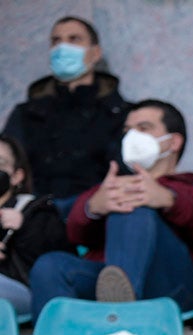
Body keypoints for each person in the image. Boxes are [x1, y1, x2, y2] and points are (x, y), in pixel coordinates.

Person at [29, 99, 193, 320]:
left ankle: (121, 319)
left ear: (173, 142)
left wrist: (170, 200)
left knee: (134, 207)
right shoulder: (112, 186)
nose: (132, 137)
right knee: (50, 265)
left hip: (173, 291)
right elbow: (76, 234)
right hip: (106, 283)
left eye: (143, 128)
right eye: (127, 130)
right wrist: (93, 207)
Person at [3, 16, 129, 219]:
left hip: (95, 219)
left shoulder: (120, 114)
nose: (63, 47)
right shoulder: (26, 114)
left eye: (74, 39)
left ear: (95, 53)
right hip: (31, 219)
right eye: (56, 41)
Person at [0, 135, 72, 316]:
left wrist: (23, 228)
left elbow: (53, 261)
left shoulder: (36, 210)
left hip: (22, 290)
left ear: (17, 175)